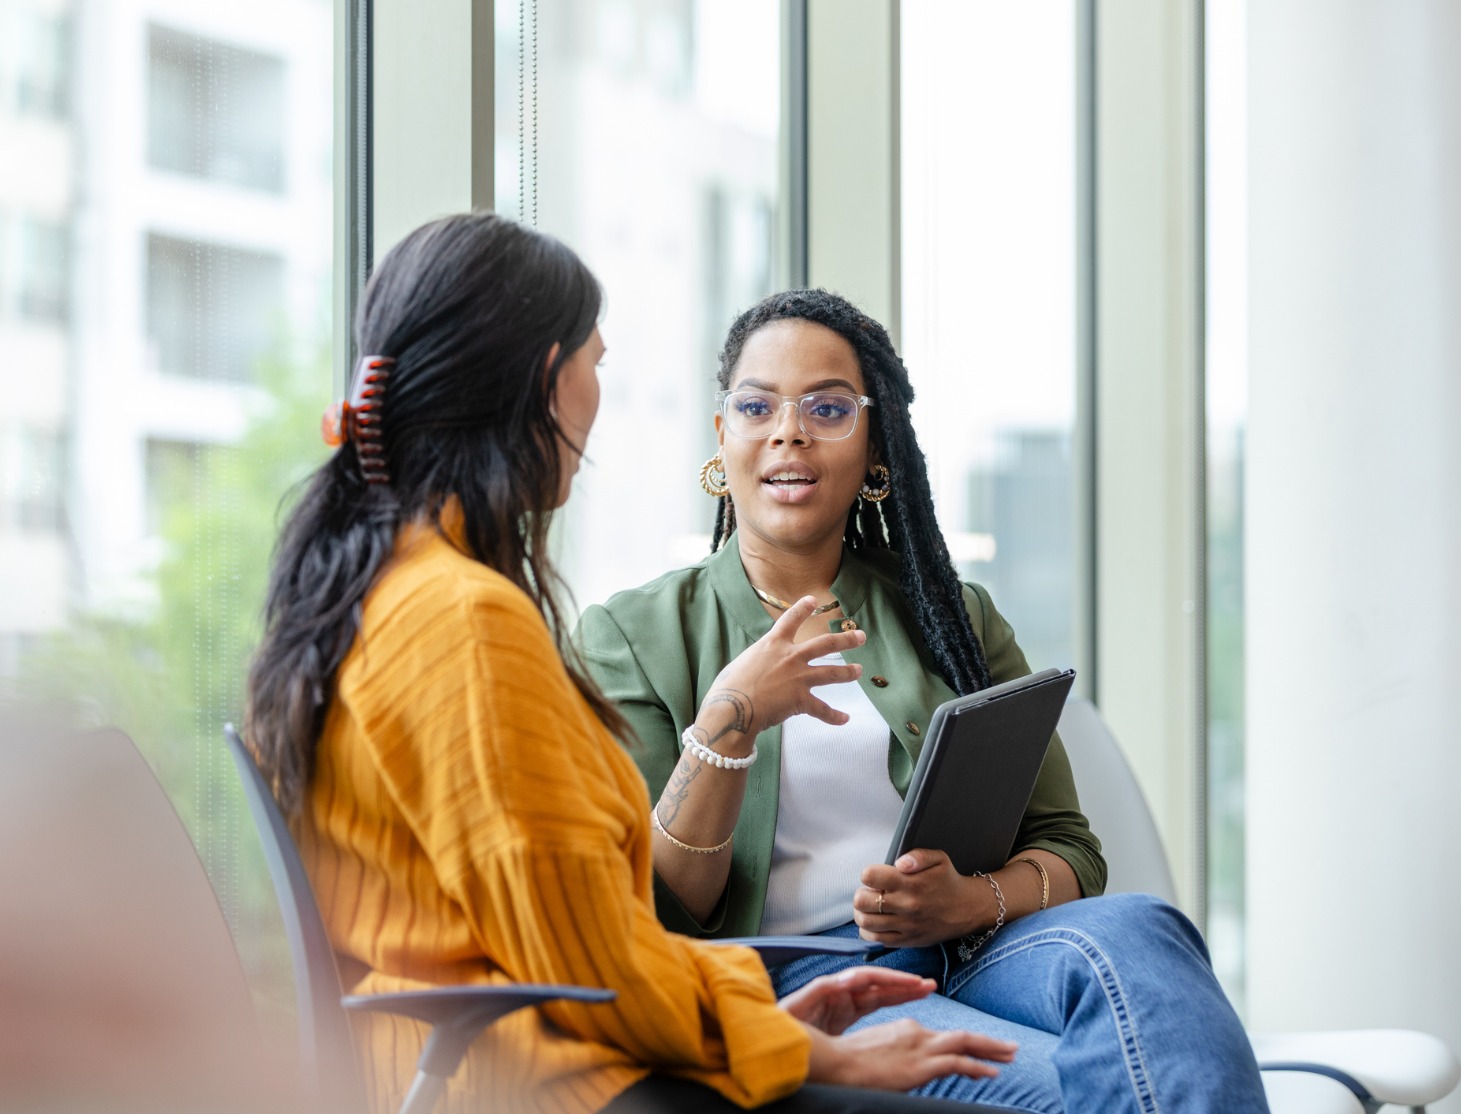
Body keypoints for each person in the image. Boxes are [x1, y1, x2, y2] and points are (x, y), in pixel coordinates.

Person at [243, 215, 1018, 1114]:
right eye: (597, 364)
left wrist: (768, 1022)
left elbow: (581, 942)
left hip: (509, 1055)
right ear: (548, 380)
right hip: (545, 1081)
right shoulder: (464, 624)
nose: (789, 436)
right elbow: (586, 960)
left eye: (828, 408)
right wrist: (804, 1051)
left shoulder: (384, 593)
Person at [576, 289, 1273, 1114]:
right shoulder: (629, 634)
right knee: (1064, 1091)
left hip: (987, 947)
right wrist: (732, 714)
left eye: (828, 407)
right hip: (808, 975)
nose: (789, 430)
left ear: (876, 451)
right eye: (757, 405)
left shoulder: (954, 617)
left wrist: (967, 902)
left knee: (1146, 931)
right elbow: (664, 907)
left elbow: (1070, 850)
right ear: (722, 437)